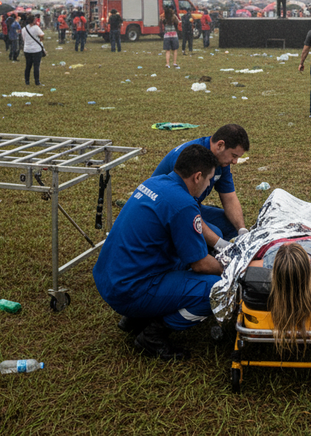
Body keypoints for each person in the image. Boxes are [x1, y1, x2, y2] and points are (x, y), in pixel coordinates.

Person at [94, 144, 224, 360]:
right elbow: (200, 264)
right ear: (197, 177)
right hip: (128, 290)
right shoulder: (184, 204)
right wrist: (229, 269)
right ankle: (153, 335)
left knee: (204, 242)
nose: (209, 184)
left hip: (109, 277)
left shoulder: (154, 182)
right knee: (215, 288)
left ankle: (136, 317)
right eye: (209, 179)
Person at [152, 124, 249, 250]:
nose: (235, 162)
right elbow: (185, 212)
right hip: (166, 213)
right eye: (234, 156)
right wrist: (219, 243)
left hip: (189, 207)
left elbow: (229, 197)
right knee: (215, 234)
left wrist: (242, 230)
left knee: (231, 225)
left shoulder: (221, 160)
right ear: (220, 145)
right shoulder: (192, 158)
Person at [22, 14, 45, 86]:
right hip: (36, 49)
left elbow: (24, 39)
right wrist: (40, 40)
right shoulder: (36, 28)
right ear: (34, 21)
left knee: (28, 66)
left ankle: (27, 81)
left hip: (27, 49)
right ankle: (37, 81)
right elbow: (42, 35)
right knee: (36, 66)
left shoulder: (24, 29)